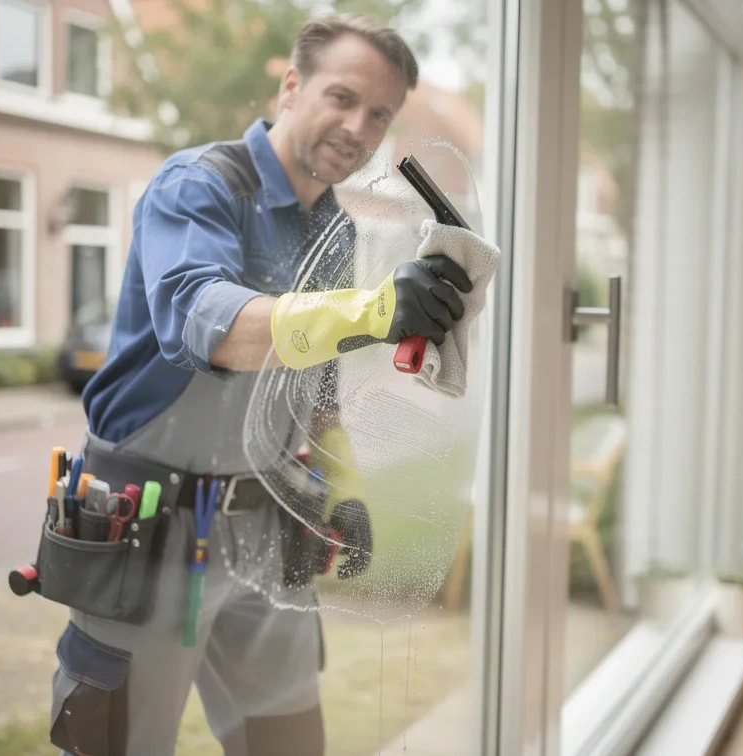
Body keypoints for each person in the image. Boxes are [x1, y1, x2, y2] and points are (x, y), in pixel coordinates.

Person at [46, 13, 476, 756]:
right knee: (119, 743)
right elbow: (208, 324)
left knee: (289, 743)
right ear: (291, 86)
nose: (358, 127)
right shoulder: (198, 187)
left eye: (380, 115)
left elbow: (318, 392)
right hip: (147, 528)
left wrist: (341, 492)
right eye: (342, 98)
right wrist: (375, 310)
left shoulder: (336, 229)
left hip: (269, 534)